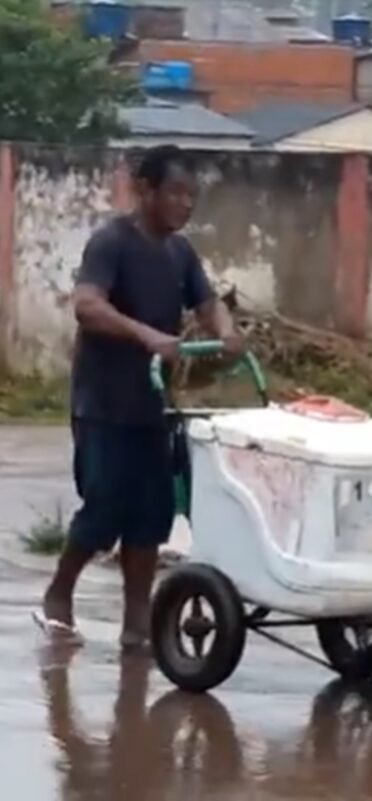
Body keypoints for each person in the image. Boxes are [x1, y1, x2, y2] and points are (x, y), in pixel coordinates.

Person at [36, 145, 243, 649]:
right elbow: (87, 305)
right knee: (105, 507)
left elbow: (208, 300)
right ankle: (58, 595)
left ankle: (136, 624)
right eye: (175, 192)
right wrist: (148, 336)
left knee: (151, 515)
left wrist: (227, 330)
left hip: (154, 403)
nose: (185, 203)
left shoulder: (180, 252)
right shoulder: (112, 243)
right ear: (146, 190)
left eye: (191, 195)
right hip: (103, 403)